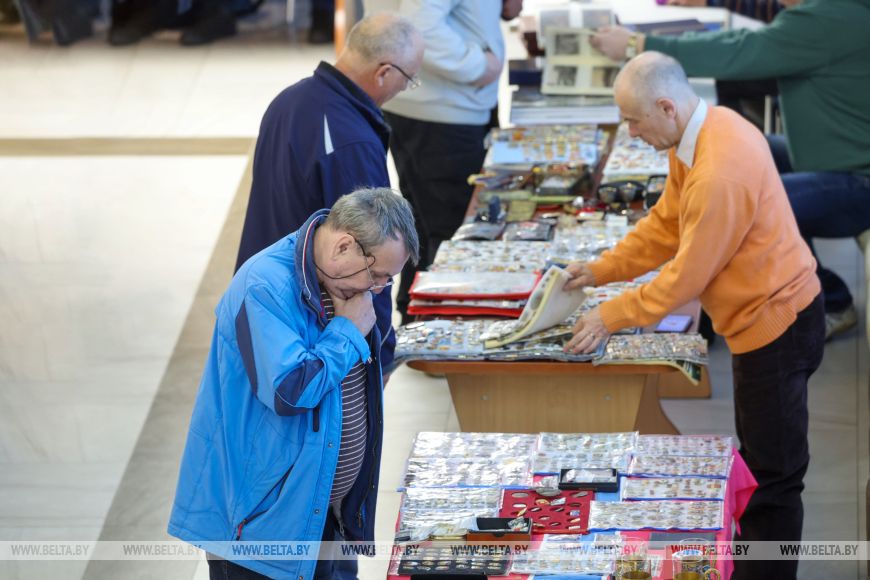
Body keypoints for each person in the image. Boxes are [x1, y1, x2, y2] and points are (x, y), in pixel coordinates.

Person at [563, 53, 824, 580]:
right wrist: (600, 270)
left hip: (775, 328)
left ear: (665, 106)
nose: (631, 133)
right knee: (760, 465)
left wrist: (610, 316)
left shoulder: (718, 172)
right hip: (763, 320)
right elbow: (666, 224)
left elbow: (687, 276)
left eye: (635, 121)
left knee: (773, 480)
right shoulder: (705, 130)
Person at [169, 188, 420, 580]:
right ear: (343, 246)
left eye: (386, 281)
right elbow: (291, 389)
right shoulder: (264, 286)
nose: (376, 290)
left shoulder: (344, 286)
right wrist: (348, 332)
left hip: (324, 516)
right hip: (261, 529)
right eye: (376, 276)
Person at [590, 0, 870, 340]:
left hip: (858, 179)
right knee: (755, 155)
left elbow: (739, 50)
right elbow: (754, 33)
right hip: (836, 158)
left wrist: (640, 45)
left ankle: (831, 302)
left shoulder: (825, 17)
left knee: (763, 201)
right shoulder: (831, 12)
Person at [236, 12, 423, 376]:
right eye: (409, 79)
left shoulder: (289, 100)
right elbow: (373, 257)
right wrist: (379, 353)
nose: (405, 88)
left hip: (263, 296)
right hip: (316, 327)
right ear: (384, 72)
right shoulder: (350, 140)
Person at [377, 0, 513, 323]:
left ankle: (416, 322)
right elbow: (419, 24)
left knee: (425, 223)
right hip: (441, 110)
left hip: (432, 104)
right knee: (450, 229)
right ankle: (434, 334)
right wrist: (477, 65)